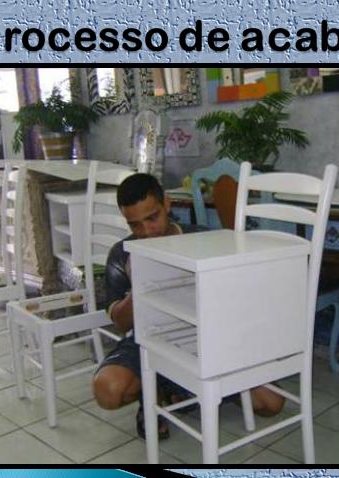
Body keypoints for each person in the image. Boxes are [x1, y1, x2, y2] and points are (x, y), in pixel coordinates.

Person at [92, 173, 285, 439]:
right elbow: (120, 322)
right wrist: (142, 286)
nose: (146, 231)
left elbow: (237, 296)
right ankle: (155, 393)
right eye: (135, 224)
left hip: (206, 338)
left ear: (167, 204)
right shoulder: (122, 252)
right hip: (148, 340)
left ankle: (181, 392)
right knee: (108, 391)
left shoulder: (203, 238)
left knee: (272, 403)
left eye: (152, 218)